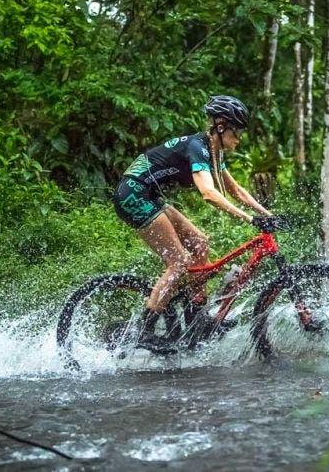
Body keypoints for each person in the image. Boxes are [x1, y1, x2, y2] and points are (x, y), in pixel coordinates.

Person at [111, 95, 274, 340]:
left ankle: (194, 316)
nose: (239, 138)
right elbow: (208, 193)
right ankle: (145, 330)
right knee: (179, 262)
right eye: (236, 132)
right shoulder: (197, 148)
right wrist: (250, 220)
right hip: (132, 194)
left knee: (200, 243)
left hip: (150, 195)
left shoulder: (212, 151)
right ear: (220, 126)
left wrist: (268, 214)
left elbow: (235, 190)